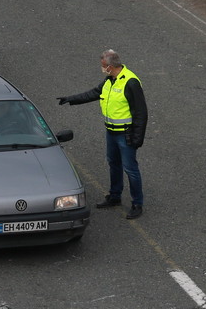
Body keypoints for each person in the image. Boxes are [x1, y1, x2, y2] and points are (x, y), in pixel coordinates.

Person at [58, 49, 148, 219]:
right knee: (113, 164)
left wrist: (137, 138)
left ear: (110, 66)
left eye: (103, 66)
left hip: (125, 135)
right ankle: (115, 196)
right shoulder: (110, 80)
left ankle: (137, 203)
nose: (102, 69)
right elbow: (93, 93)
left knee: (131, 169)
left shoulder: (130, 82)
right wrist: (71, 99)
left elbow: (141, 113)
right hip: (111, 133)